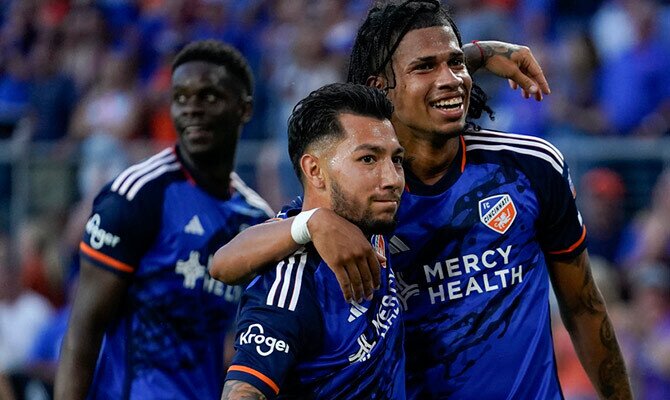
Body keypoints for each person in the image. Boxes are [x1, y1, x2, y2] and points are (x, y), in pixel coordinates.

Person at [210, 1, 632, 399]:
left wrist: (480, 53)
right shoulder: (366, 199)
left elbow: (584, 307)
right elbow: (227, 262)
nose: (450, 78)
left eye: (456, 63)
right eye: (427, 67)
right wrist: (311, 224)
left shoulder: (530, 167)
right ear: (381, 87)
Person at [54, 40, 274, 400]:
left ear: (244, 109)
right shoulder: (136, 195)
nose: (192, 109)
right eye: (181, 98)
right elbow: (83, 330)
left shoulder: (257, 219)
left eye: (209, 97)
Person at [222, 82, 406, 399]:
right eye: (368, 160)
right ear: (315, 170)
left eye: (397, 159)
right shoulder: (294, 282)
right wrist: (312, 223)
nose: (392, 179)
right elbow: (242, 392)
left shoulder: (371, 215)